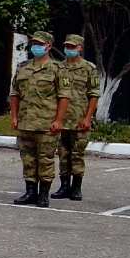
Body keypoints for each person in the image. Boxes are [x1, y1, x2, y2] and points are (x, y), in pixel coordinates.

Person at [9, 30, 68, 207]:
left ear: (48, 46)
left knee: (45, 160)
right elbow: (15, 94)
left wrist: (58, 120)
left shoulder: (57, 69)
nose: (35, 47)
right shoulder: (23, 67)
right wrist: (14, 116)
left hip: (46, 124)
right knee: (28, 159)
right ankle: (30, 191)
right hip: (26, 122)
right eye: (34, 44)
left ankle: (43, 194)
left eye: (39, 44)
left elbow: (64, 97)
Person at [51, 34, 99, 201]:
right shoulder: (58, 67)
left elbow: (93, 95)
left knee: (77, 154)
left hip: (79, 119)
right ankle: (64, 186)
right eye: (67, 46)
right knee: (63, 155)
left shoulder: (89, 68)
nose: (68, 49)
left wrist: (88, 117)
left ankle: (76, 187)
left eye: (72, 47)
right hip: (61, 119)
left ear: (80, 48)